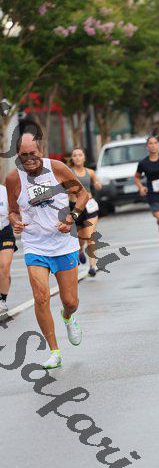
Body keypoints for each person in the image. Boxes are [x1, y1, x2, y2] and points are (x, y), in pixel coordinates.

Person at [6, 131, 90, 369]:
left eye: (32, 153)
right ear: (18, 156)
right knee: (41, 297)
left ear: (41, 151)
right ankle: (54, 351)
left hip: (63, 244)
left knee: (70, 301)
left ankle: (68, 316)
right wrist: (15, 221)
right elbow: (12, 210)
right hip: (35, 246)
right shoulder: (14, 178)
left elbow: (82, 194)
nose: (29, 159)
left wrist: (72, 217)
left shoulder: (57, 169)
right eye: (24, 155)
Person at [134, 136, 159, 260]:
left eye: (155, 143)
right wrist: (141, 187)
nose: (153, 145)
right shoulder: (143, 163)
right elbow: (136, 177)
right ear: (147, 146)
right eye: (150, 143)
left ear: (158, 145)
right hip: (153, 196)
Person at [69, 147, 102, 277]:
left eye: (80, 155)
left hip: (90, 206)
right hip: (76, 207)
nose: (77, 157)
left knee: (90, 236)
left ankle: (92, 267)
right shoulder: (69, 172)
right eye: (75, 155)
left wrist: (98, 184)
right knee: (80, 239)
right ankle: (80, 251)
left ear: (84, 158)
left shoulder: (90, 172)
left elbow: (97, 182)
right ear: (72, 158)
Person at [0, 183, 17, 315]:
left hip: (5, 231)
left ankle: (2, 300)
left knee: (4, 267)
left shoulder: (4, 191)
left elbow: (14, 211)